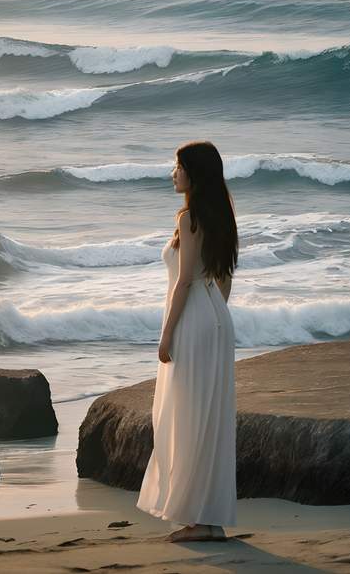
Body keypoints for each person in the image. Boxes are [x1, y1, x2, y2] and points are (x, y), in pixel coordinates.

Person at [136, 140, 238, 542]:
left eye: (178, 167)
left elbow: (182, 282)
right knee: (209, 419)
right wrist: (216, 317)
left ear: (193, 173)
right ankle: (208, 518)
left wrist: (167, 334)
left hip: (195, 318)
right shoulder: (221, 216)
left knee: (188, 417)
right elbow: (223, 278)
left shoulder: (189, 217)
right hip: (216, 318)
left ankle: (200, 520)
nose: (172, 173)